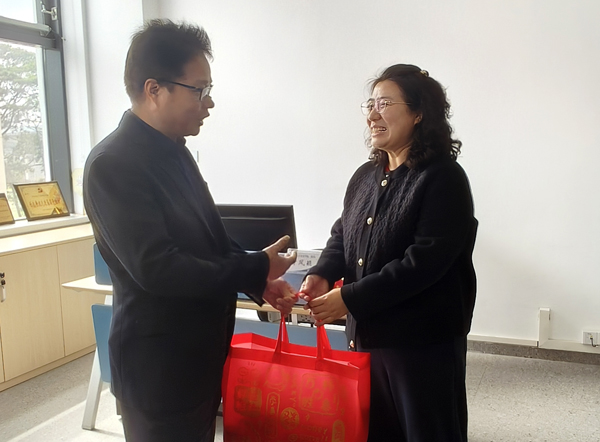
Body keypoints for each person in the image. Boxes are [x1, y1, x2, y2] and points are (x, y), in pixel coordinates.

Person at [83, 20, 297, 442]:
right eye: (199, 90)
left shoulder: (175, 151)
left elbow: (208, 237)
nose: (209, 102)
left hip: (198, 358)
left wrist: (258, 279)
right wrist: (254, 266)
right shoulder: (113, 163)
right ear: (154, 89)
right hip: (159, 369)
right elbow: (158, 269)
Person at [300, 64, 477, 442]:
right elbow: (342, 234)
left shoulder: (443, 177)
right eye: (370, 104)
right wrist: (322, 273)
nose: (372, 115)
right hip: (368, 337)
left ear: (418, 113)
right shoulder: (365, 175)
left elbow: (423, 263)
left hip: (422, 343)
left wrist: (349, 298)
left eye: (384, 103)